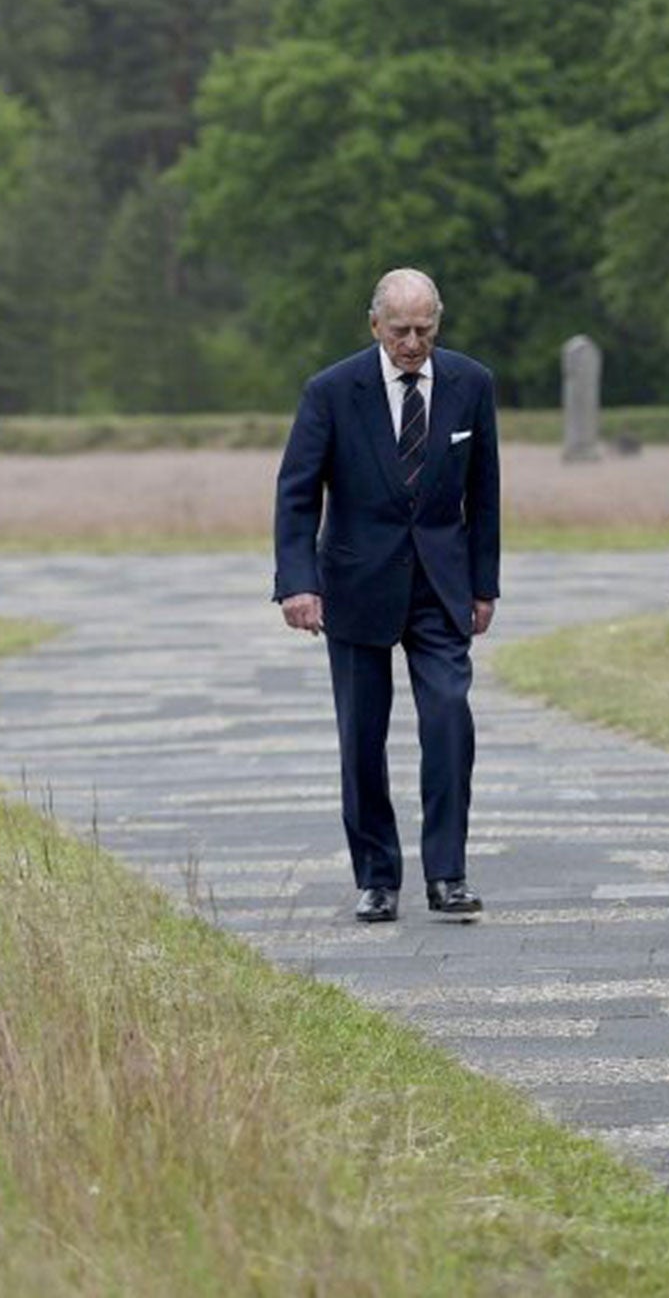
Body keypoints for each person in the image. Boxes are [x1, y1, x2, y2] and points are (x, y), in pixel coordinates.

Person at [273, 268, 502, 923]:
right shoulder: (331, 391)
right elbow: (295, 493)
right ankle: (376, 877)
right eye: (399, 330)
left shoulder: (470, 384)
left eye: (424, 329)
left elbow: (483, 493)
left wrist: (484, 586)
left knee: (449, 720)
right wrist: (298, 583)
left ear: (439, 323)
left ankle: (448, 875)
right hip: (354, 584)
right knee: (362, 738)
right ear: (375, 325)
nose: (412, 343)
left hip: (440, 584)